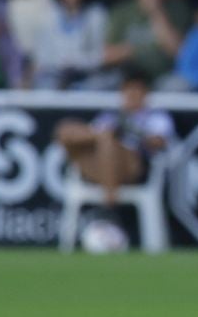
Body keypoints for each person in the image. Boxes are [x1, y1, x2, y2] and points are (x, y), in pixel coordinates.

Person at [54, 69, 176, 213]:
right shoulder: (111, 116)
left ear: (145, 93)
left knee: (107, 141)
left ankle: (108, 211)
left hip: (134, 166)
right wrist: (108, 133)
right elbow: (93, 132)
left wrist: (132, 132)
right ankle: (108, 199)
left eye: (137, 91)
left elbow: (159, 142)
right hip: (97, 163)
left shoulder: (156, 117)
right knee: (66, 130)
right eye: (128, 91)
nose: (132, 96)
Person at [22, 0, 109, 90]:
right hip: (53, 79)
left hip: (86, 78)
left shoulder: (96, 15)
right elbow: (41, 58)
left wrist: (75, 61)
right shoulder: (47, 17)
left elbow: (100, 54)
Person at [104, 0, 190, 83]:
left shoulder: (178, 9)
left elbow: (179, 51)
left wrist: (156, 12)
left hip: (165, 75)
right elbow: (106, 55)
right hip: (127, 77)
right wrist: (134, 50)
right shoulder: (121, 12)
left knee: (180, 85)